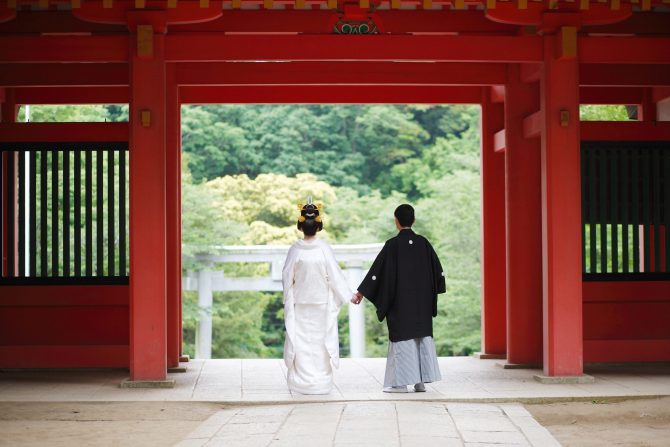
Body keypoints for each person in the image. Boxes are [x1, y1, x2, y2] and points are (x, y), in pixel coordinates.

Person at [351, 204, 446, 393]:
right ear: (414, 220)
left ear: (396, 221)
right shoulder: (424, 243)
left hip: (401, 304)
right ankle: (420, 383)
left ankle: (400, 384)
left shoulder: (392, 245)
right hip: (422, 304)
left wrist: (361, 292)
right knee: (421, 336)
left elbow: (376, 272)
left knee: (403, 339)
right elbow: (438, 273)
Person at [282, 197, 351, 394]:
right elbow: (336, 277)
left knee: (302, 344)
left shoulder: (295, 251)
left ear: (300, 225)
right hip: (320, 304)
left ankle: (301, 383)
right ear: (319, 225)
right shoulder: (323, 249)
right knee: (321, 345)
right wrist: (348, 295)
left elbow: (287, 278)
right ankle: (320, 382)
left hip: (301, 304)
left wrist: (288, 298)